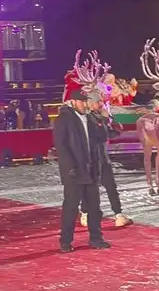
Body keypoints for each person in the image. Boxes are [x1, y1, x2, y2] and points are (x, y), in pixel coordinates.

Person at [52, 89, 111, 253]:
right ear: (73, 102)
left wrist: (102, 120)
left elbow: (102, 138)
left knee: (94, 207)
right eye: (82, 101)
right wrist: (70, 167)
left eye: (86, 101)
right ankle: (65, 241)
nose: (85, 105)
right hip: (75, 171)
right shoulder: (64, 119)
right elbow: (61, 146)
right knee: (71, 208)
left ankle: (96, 239)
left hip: (91, 170)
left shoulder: (91, 118)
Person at [80, 90, 133, 228]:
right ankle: (85, 212)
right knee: (91, 187)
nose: (101, 104)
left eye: (101, 101)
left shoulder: (99, 117)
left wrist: (114, 125)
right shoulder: (86, 118)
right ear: (90, 103)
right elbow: (99, 135)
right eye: (98, 102)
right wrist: (104, 120)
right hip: (91, 159)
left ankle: (118, 214)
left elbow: (110, 133)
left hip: (103, 158)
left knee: (111, 186)